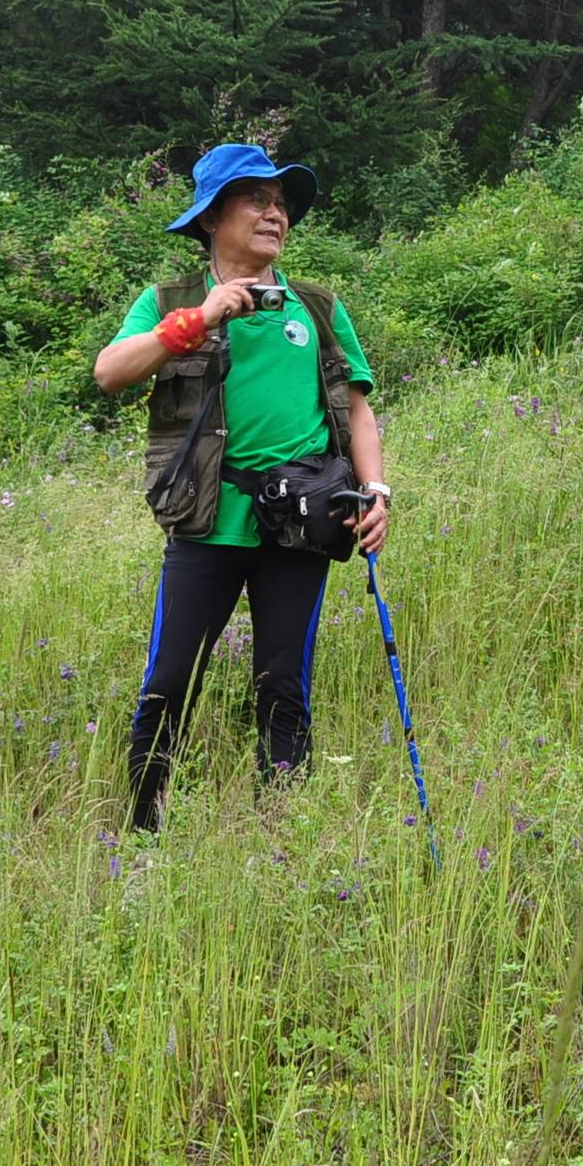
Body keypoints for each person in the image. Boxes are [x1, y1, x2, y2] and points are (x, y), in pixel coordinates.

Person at [92, 144, 389, 827]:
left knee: (284, 684)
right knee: (170, 683)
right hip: (206, 523)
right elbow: (111, 372)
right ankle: (143, 833)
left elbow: (359, 409)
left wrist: (377, 492)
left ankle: (279, 833)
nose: (274, 213)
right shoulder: (168, 303)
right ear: (211, 218)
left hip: (304, 522)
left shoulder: (316, 308)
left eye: (281, 203)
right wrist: (201, 320)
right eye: (256, 199)